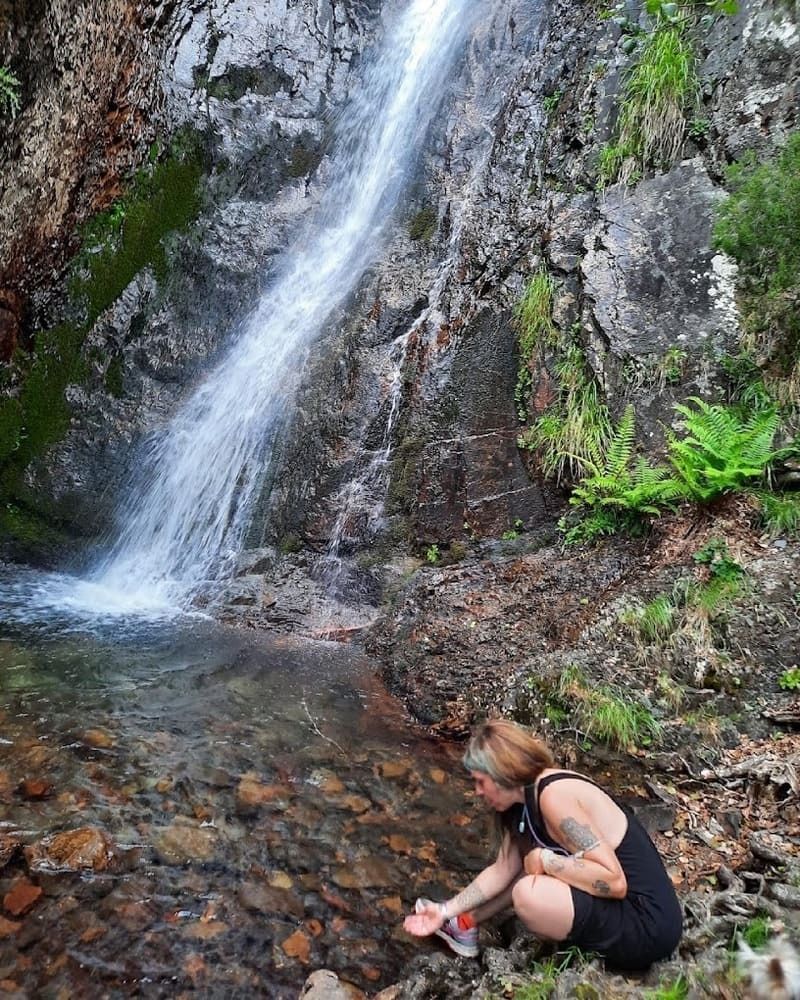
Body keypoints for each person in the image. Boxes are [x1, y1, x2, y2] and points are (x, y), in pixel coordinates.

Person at [404, 719, 683, 970]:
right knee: (527, 872)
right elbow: (501, 871)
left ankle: (594, 958)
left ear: (501, 772)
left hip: (648, 925)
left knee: (530, 891)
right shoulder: (519, 806)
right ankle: (463, 925)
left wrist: (547, 861)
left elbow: (613, 880)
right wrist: (445, 911)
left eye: (480, 781)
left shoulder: (553, 796)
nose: (477, 791)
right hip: (623, 914)